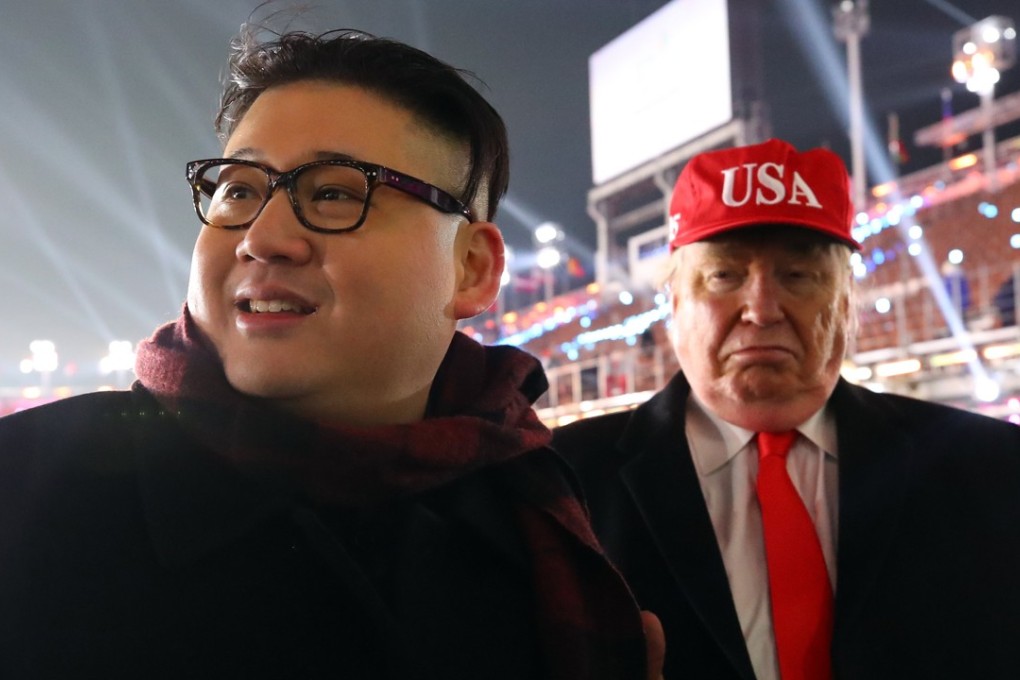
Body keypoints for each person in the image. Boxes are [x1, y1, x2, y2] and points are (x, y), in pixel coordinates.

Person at [0, 20, 662, 680]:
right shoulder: (26, 486)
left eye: (336, 192)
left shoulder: (538, 513)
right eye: (239, 189)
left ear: (472, 268)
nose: (263, 238)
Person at [553, 138, 1020, 680]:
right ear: (675, 304)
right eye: (724, 275)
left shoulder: (992, 467)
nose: (762, 309)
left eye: (797, 275)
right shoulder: (564, 481)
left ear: (845, 302)